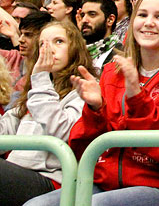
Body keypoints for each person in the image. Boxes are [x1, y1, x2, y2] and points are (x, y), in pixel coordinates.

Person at [26, 0, 159, 206]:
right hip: (103, 182)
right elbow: (84, 148)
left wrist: (136, 97)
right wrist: (94, 110)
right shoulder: (113, 71)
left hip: (158, 186)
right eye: (142, 15)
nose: (149, 22)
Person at [0, 20, 93, 206]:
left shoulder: (84, 90)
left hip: (54, 180)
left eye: (58, 41)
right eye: (42, 44)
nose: (48, 49)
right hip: (17, 172)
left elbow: (64, 132)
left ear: (75, 49)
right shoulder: (33, 91)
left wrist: (41, 79)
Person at [0, 11, 52, 106]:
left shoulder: (51, 71)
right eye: (21, 34)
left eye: (28, 35)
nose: (21, 39)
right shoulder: (13, 57)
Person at [77, 0, 120, 75]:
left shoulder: (120, 55)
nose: (84, 20)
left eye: (92, 14)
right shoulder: (77, 51)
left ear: (110, 20)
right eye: (83, 15)